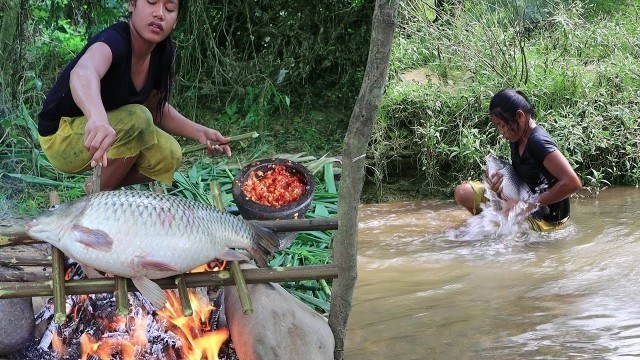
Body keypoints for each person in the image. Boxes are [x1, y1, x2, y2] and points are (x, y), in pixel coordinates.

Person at [37, 0, 230, 194]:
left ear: (176, 19)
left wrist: (201, 134)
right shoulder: (114, 40)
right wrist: (96, 118)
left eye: (169, 8)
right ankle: (98, 199)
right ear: (132, 4)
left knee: (170, 155)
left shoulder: (162, 54)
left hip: (112, 133)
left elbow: (156, 108)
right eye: (152, 2)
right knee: (138, 118)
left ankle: (98, 186)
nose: (159, 13)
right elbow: (83, 73)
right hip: (62, 136)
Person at [454, 89, 582, 231]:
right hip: (521, 200)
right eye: (498, 127)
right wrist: (498, 190)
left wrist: (526, 206)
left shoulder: (538, 142)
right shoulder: (517, 137)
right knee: (464, 193)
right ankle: (484, 228)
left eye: (502, 125)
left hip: (546, 218)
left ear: (520, 117)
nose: (501, 133)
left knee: (509, 238)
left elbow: (572, 183)